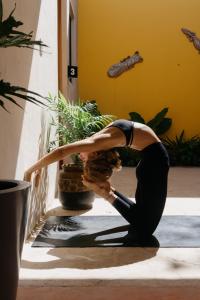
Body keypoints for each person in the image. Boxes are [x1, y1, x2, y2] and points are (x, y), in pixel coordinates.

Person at [24, 119, 170, 242]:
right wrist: (40, 167)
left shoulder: (97, 140)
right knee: (145, 225)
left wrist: (30, 169)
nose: (81, 157)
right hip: (152, 161)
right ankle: (106, 192)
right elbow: (63, 152)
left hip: (154, 163)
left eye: (84, 158)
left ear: (94, 152)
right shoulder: (100, 140)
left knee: (145, 228)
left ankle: (106, 192)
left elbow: (61, 152)